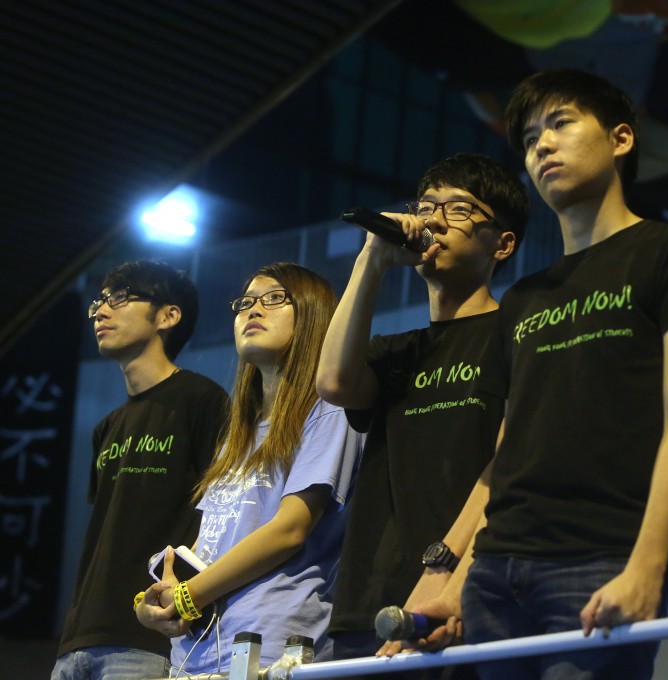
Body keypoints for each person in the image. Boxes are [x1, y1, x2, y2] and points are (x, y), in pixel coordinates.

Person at [404, 69, 668, 680]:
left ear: (622, 139)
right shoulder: (524, 298)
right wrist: (458, 576)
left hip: (601, 559)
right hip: (497, 574)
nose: (542, 147)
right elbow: (507, 452)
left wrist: (649, 566)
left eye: (560, 124)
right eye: (529, 139)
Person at [315, 153, 529, 678]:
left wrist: (456, 578)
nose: (433, 219)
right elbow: (334, 383)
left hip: (463, 600)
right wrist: (374, 255)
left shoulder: (519, 333)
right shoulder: (397, 352)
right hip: (370, 602)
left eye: (457, 209)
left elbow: (512, 466)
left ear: (502, 244)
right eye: (426, 205)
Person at [135, 262, 362, 674]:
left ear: (313, 314)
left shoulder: (331, 409)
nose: (253, 310)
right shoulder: (238, 434)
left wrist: (189, 595)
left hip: (272, 647)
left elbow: (289, 530)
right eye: (245, 303)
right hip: (196, 654)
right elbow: (215, 546)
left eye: (275, 298)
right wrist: (159, 601)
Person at [52, 260, 229, 680]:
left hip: (151, 638)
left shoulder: (203, 401)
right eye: (99, 301)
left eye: (119, 298)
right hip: (77, 640)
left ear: (168, 315)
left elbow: (223, 517)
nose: (100, 311)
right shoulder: (106, 426)